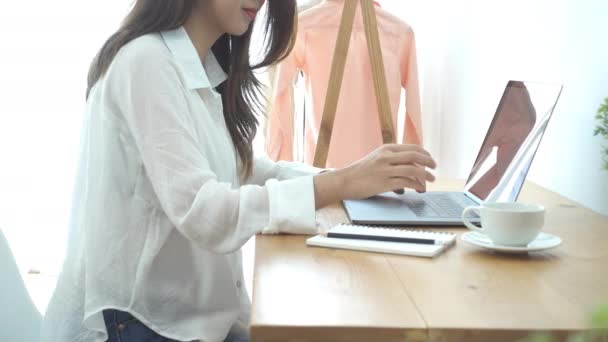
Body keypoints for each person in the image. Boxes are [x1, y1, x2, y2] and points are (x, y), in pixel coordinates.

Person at [41, 1, 436, 341]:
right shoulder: (145, 62)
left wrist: (349, 178)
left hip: (190, 320)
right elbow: (205, 211)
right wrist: (341, 183)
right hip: (142, 324)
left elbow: (245, 170)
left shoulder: (200, 66)